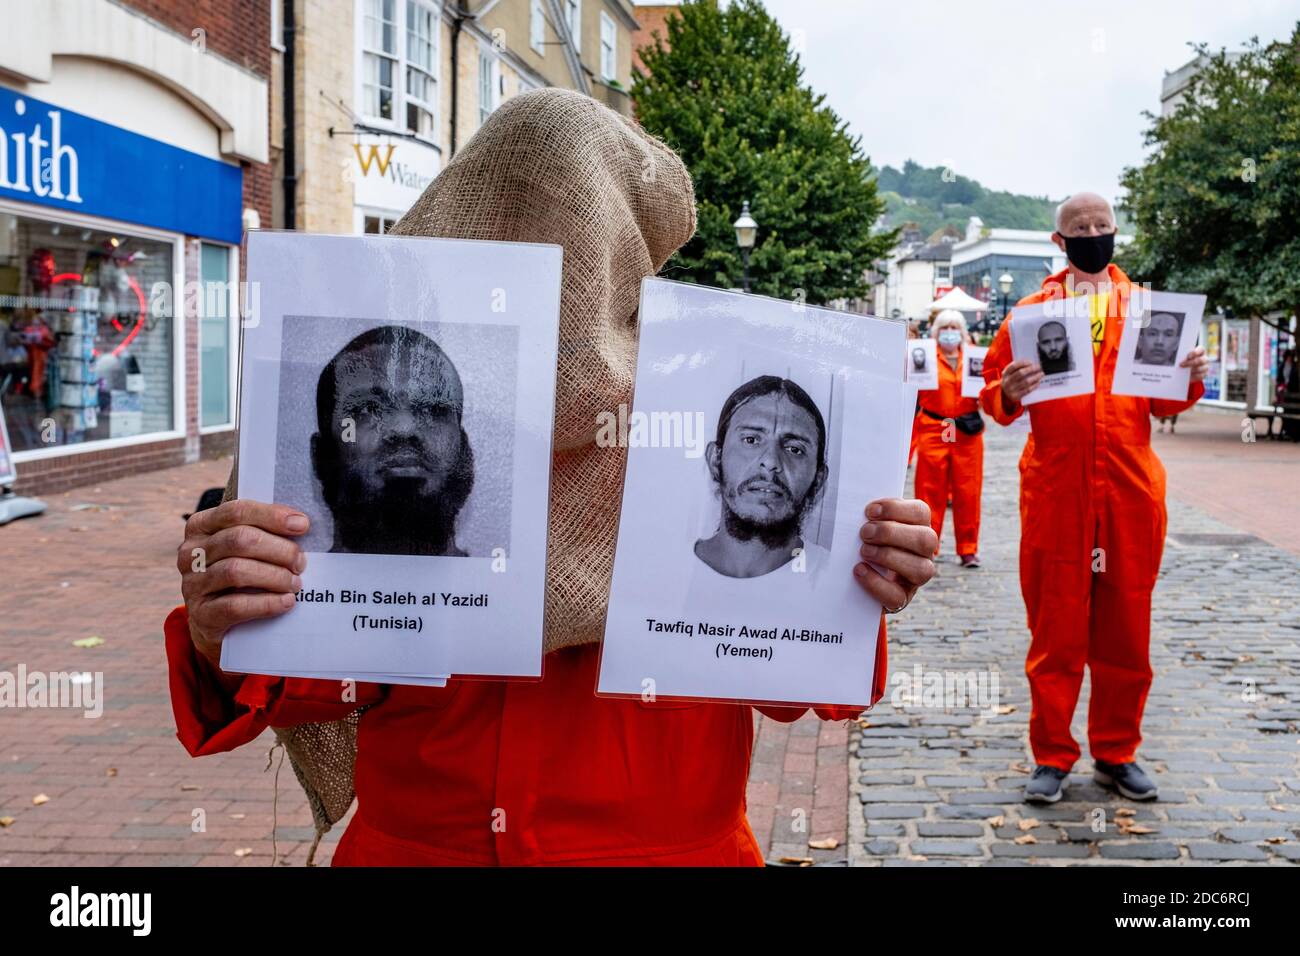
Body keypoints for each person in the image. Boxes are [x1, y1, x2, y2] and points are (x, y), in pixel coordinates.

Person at [165, 89, 939, 866]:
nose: (556, 269)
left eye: (579, 236)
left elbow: (793, 680)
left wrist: (858, 574)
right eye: (515, 226)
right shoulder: (413, 425)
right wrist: (224, 619)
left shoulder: (692, 414)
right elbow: (306, 674)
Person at [980, 191, 1209, 804]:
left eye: (1101, 225)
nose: (1091, 232)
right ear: (1060, 241)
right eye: (1078, 227)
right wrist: (1006, 387)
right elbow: (994, 403)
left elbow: (1165, 403)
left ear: (1115, 232)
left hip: (1131, 490)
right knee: (1055, 630)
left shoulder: (1149, 311)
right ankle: (1052, 755)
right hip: (1058, 489)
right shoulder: (1029, 314)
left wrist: (1190, 374)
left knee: (1127, 630)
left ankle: (1116, 752)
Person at [312, 325, 473, 556]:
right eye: (368, 409)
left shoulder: (509, 590)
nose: (403, 429)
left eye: (434, 408)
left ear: (463, 449)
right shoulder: (286, 589)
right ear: (320, 456)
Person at [694, 375, 829, 579]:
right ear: (715, 460)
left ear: (818, 480)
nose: (771, 461)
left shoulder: (842, 580)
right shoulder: (659, 569)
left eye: (794, 449)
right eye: (751, 439)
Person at [913, 310, 984, 569]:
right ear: (936, 331)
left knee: (968, 491)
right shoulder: (925, 356)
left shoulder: (975, 357)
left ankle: (968, 549)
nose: (950, 331)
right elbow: (910, 387)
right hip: (935, 427)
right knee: (930, 490)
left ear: (963, 331)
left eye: (955, 326)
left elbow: (987, 390)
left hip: (966, 432)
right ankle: (928, 545)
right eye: (945, 327)